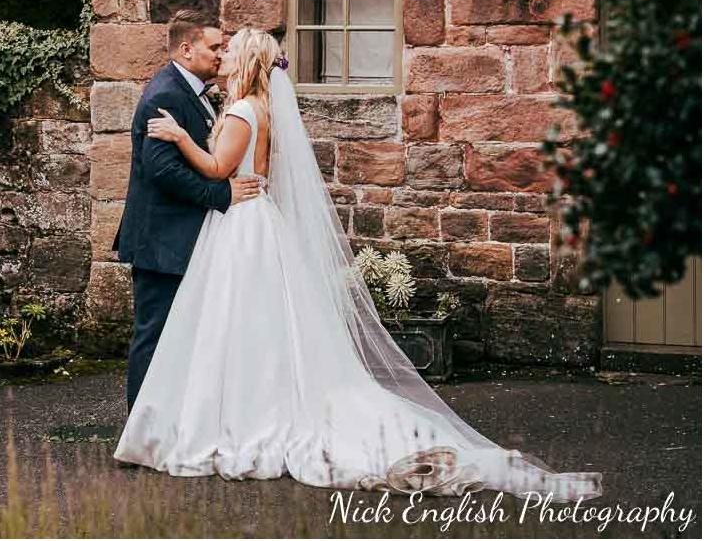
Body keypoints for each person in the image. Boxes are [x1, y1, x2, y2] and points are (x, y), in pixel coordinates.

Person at [113, 27, 603, 500]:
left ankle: (227, 418)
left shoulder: (242, 109)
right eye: (219, 48)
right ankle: (209, 413)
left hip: (241, 225)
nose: (223, 56)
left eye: (231, 49)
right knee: (247, 328)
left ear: (249, 63)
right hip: (245, 222)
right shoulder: (250, 106)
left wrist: (182, 139)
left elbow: (220, 168)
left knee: (237, 327)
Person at [112, 10, 262, 413]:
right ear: (186, 49)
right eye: (214, 47)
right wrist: (221, 196)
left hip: (183, 238)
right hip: (161, 240)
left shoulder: (193, 92)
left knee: (183, 335)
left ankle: (172, 423)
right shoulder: (165, 94)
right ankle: (140, 431)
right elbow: (161, 170)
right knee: (156, 334)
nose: (220, 54)